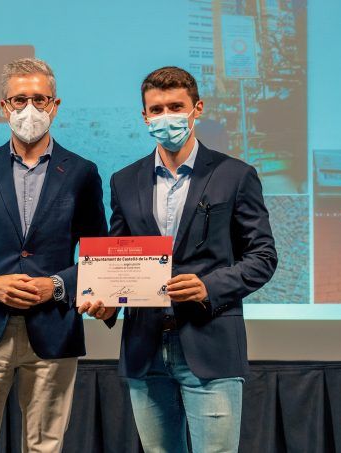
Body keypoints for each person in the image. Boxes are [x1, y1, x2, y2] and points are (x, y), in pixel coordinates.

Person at [79, 66, 277, 452]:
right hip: (145, 348)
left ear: (196, 109)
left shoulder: (235, 175)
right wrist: (107, 303)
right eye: (156, 109)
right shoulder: (124, 180)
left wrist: (208, 286)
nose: (165, 116)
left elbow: (263, 256)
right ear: (145, 116)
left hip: (210, 344)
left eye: (175, 107)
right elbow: (117, 256)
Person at [0, 57, 107, 453]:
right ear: (4, 107)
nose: (29, 109)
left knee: (45, 447)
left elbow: (99, 255)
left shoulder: (82, 172)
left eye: (39, 99)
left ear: (55, 105)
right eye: (19, 100)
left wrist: (57, 285)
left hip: (54, 330)